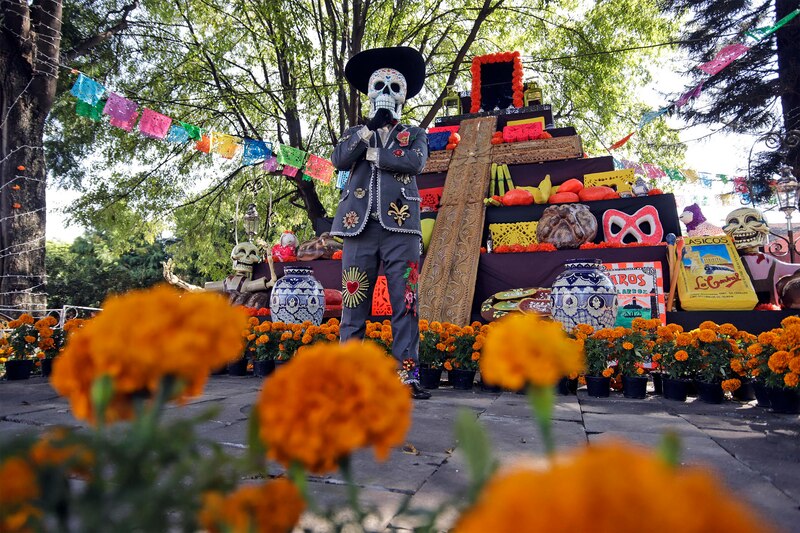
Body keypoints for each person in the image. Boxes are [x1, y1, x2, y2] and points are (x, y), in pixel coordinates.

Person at [330, 47, 430, 399]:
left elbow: (414, 162)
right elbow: (339, 159)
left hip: (402, 230)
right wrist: (365, 134)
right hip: (358, 228)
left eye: (393, 87)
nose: (385, 94)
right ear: (368, 92)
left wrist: (374, 152)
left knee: (407, 302)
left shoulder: (414, 134)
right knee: (353, 304)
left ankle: (407, 376)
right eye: (379, 86)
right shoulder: (354, 132)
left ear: (403, 96)